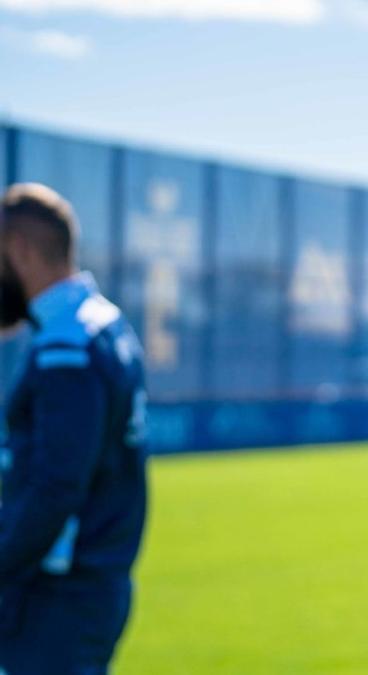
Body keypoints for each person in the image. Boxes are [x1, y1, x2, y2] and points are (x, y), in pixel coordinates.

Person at [0, 183, 148, 674]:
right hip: (91, 588)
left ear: (19, 251)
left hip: (59, 596)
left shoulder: (67, 345)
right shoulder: (106, 324)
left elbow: (57, 483)